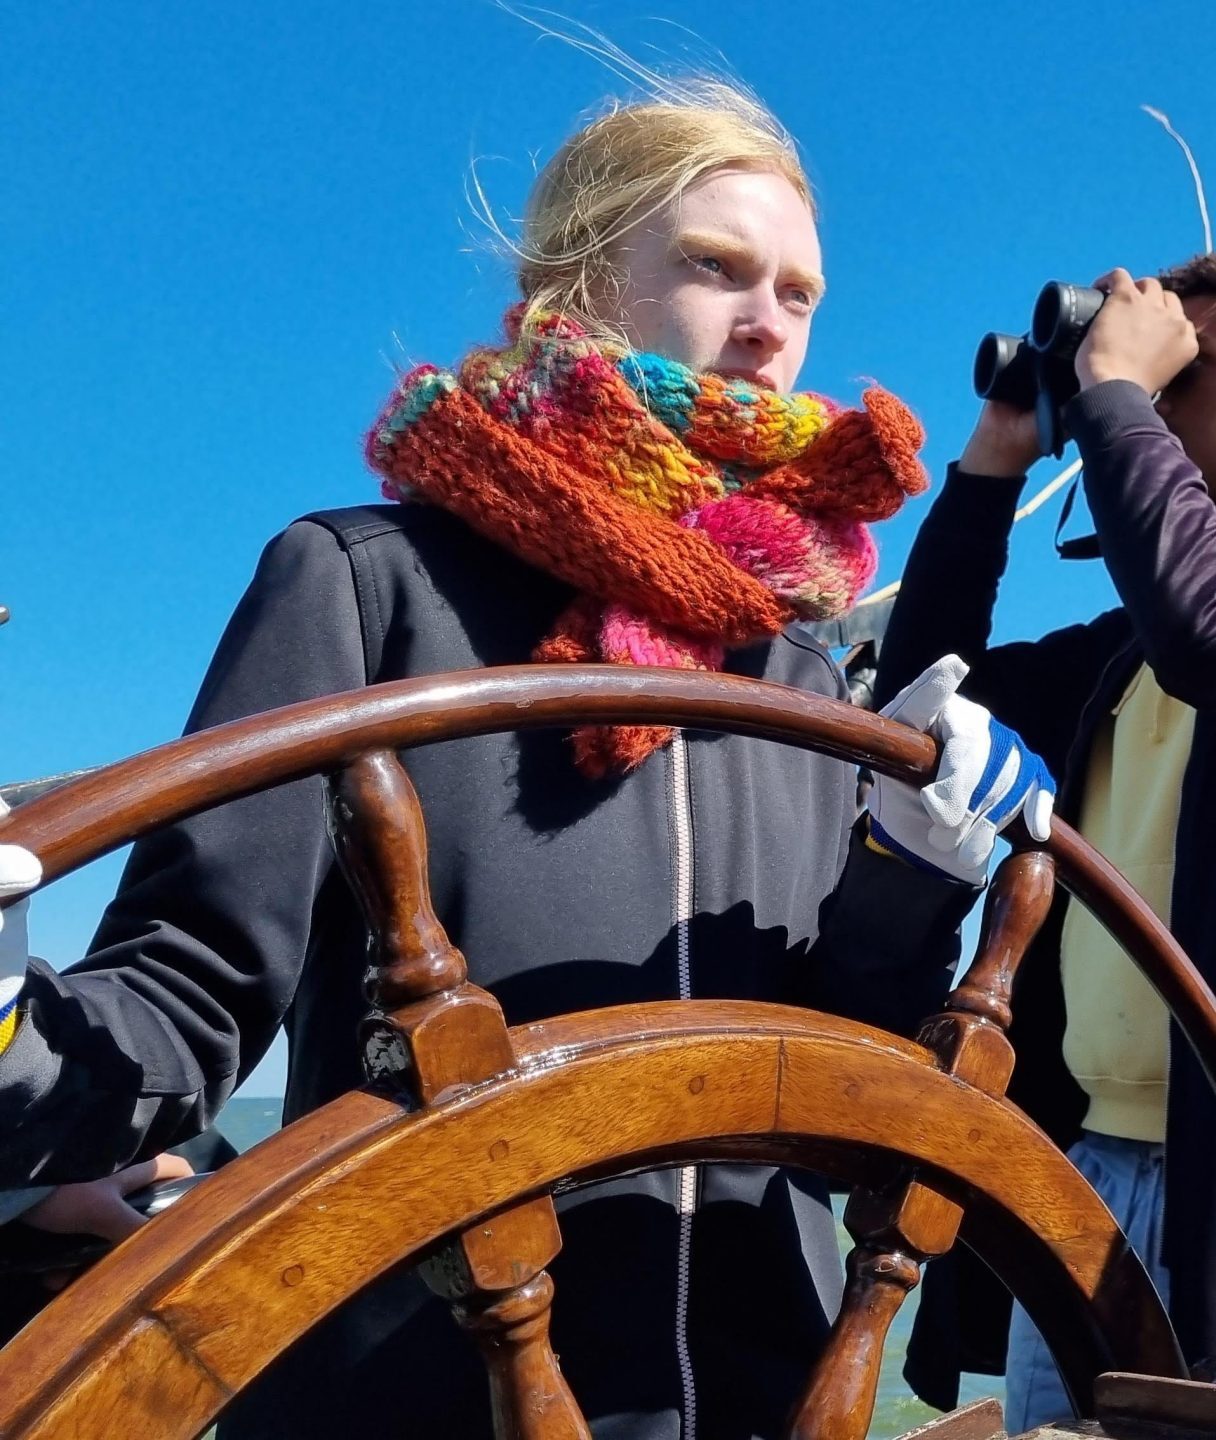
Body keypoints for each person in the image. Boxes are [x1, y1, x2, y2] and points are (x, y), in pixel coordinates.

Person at [0, 83, 1051, 1436]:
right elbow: (189, 998)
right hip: (418, 1388)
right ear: (580, 283)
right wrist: (13, 1034)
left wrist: (913, 871)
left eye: (800, 290)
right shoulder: (366, 586)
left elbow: (847, 1057)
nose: (769, 322)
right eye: (716, 267)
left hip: (764, 1390)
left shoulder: (797, 668)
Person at [878, 256, 1216, 1429]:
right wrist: (993, 461)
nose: (1159, 394)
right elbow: (918, 694)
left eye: (1190, 368)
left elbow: (1205, 637)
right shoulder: (1116, 661)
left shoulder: (1184, 634)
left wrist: (1115, 392)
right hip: (1090, 1161)